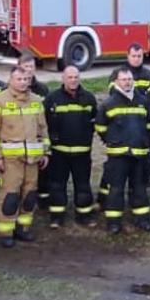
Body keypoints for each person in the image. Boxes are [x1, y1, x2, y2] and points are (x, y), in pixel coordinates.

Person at [0, 65, 49, 246]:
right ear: (10, 80)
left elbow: (43, 129)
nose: (23, 83)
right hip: (10, 160)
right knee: (10, 196)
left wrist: (46, 152)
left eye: (26, 79)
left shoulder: (36, 100)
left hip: (33, 159)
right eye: (19, 79)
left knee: (29, 195)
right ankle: (6, 232)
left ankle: (23, 228)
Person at [98, 67, 150, 233]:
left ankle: (143, 220)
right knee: (116, 190)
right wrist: (112, 141)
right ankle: (114, 223)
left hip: (139, 154)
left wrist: (145, 142)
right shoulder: (108, 104)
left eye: (129, 79)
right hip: (118, 156)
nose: (127, 82)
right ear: (116, 82)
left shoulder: (143, 101)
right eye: (123, 79)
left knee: (139, 188)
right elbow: (100, 127)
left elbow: (149, 126)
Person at [43, 65, 99, 228]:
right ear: (63, 78)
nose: (73, 80)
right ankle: (57, 217)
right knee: (57, 185)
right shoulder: (52, 98)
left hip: (82, 153)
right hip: (59, 153)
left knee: (83, 186)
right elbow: (44, 124)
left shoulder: (89, 98)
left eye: (76, 77)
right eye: (70, 77)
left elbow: (94, 122)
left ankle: (84, 216)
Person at [117, 44, 150, 188]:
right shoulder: (118, 73)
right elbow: (116, 95)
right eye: (134, 56)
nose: (136, 59)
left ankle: (149, 173)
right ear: (128, 56)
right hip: (125, 128)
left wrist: (133, 97)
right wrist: (142, 98)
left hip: (145, 126)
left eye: (139, 56)